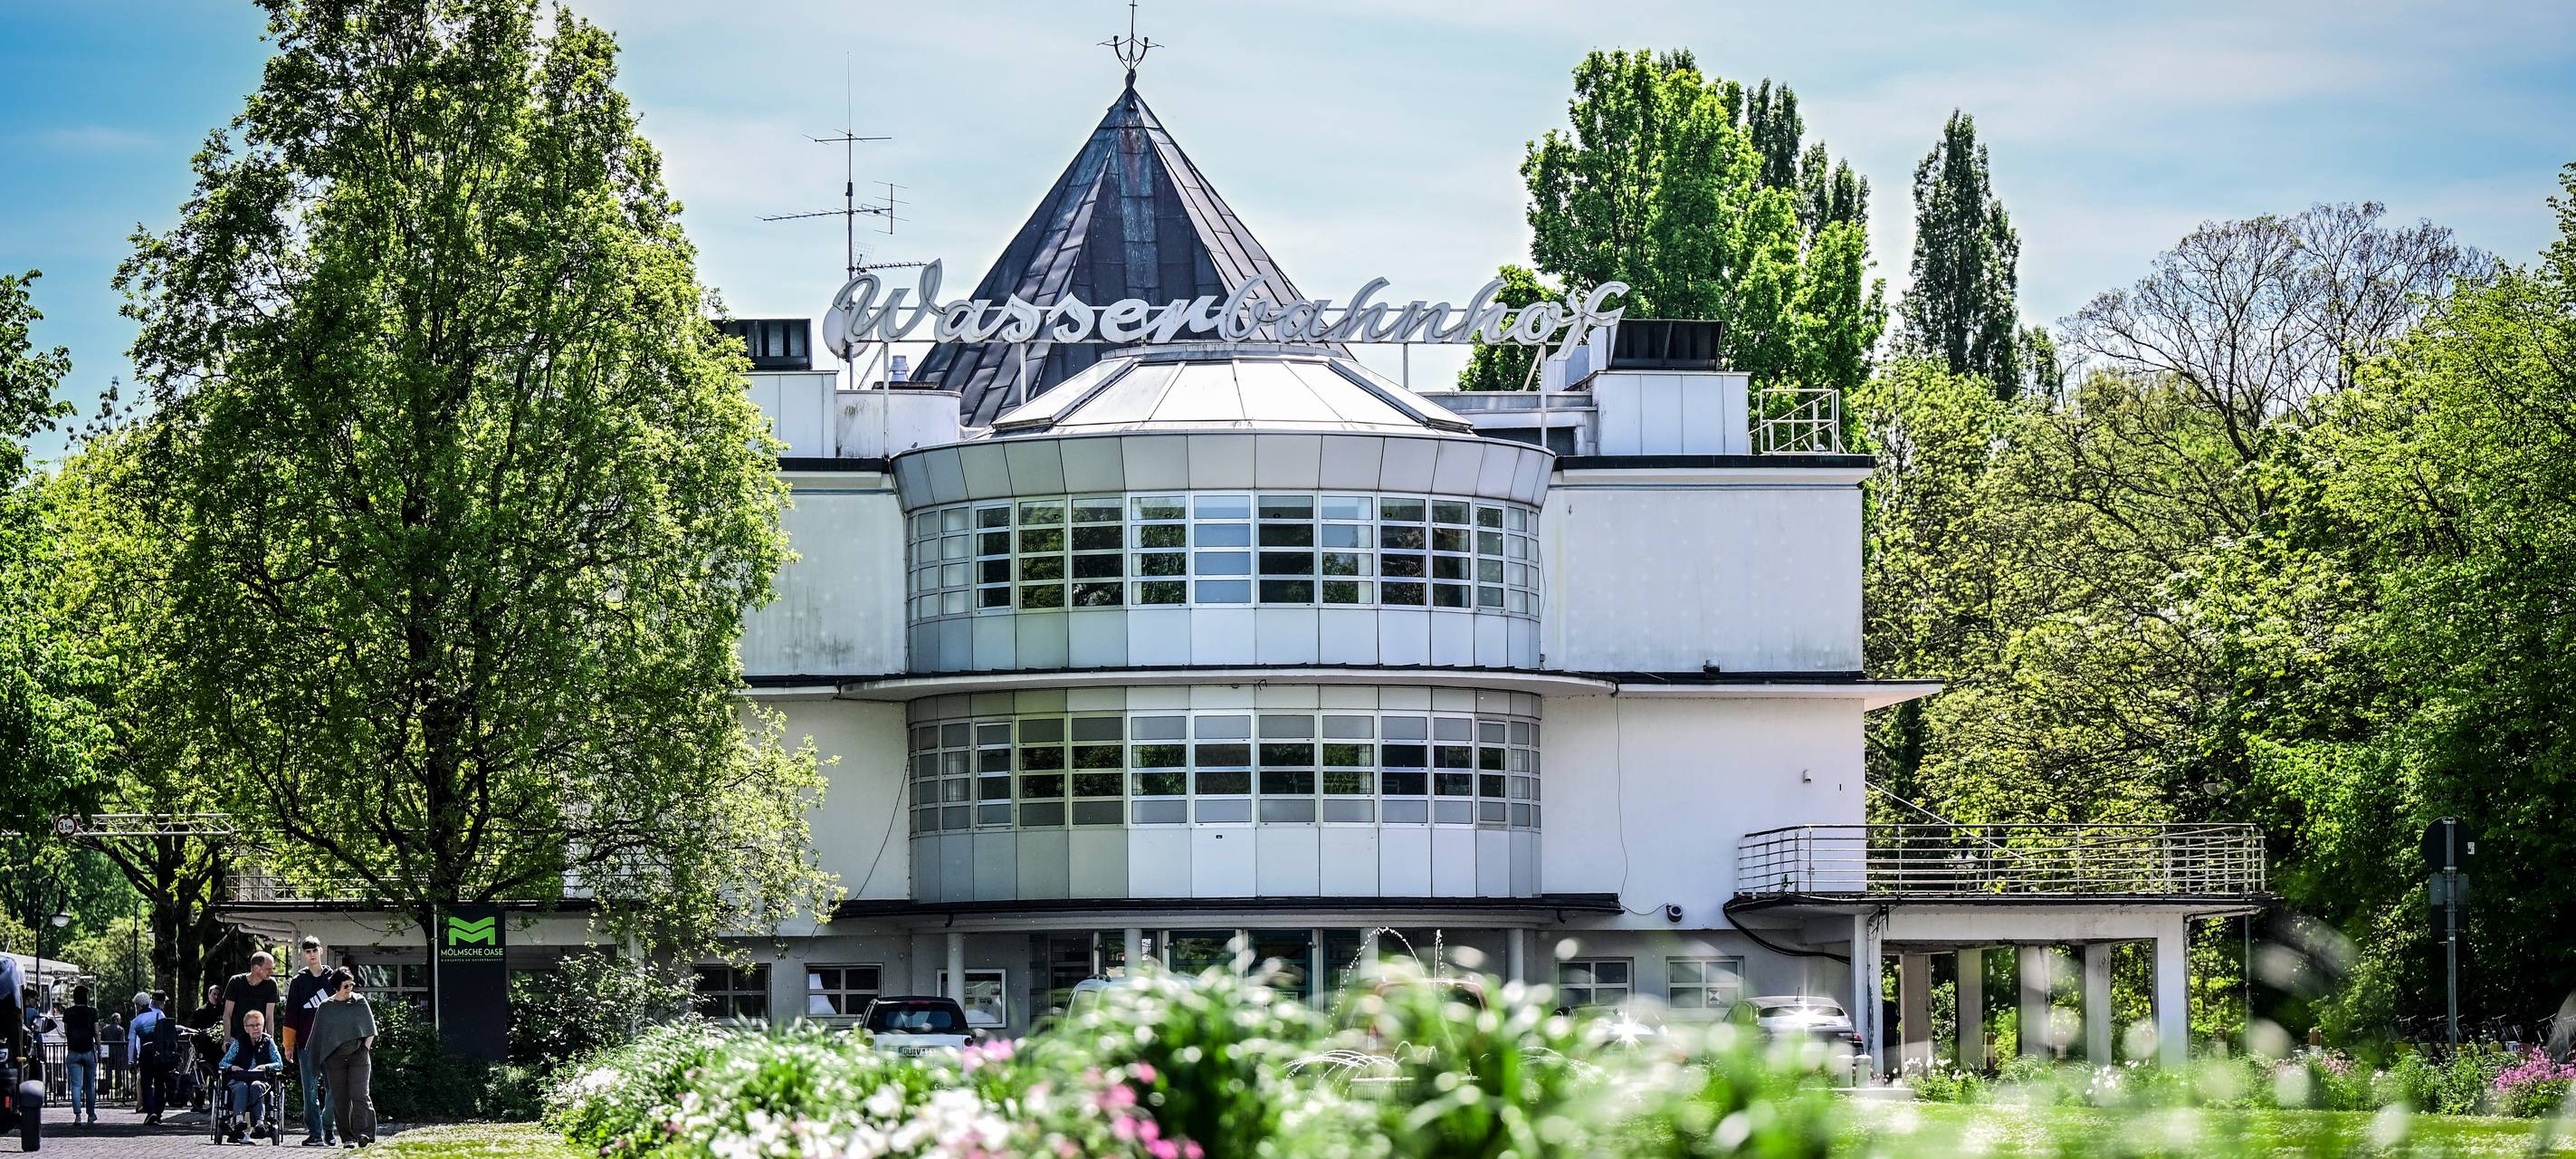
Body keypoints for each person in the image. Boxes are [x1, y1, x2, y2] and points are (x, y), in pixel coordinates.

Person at [306, 969, 377, 1148]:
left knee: (360, 1094)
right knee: (340, 1099)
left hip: (358, 1056)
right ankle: (348, 1139)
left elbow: (370, 1029)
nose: (350, 988)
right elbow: (318, 1035)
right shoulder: (326, 1007)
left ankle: (364, 1133)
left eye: (352, 984)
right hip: (335, 1059)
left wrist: (364, 1050)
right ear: (337, 987)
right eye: (346, 986)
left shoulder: (359, 1002)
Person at [281, 936, 337, 1145]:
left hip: (332, 1044)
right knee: (310, 1091)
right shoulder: (298, 982)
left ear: (321, 950)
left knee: (334, 1090)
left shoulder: (333, 978)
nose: (311, 954)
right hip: (305, 1044)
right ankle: (315, 1133)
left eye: (314, 950)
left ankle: (328, 1128)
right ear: (303, 954)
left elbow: (344, 1009)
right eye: (307, 951)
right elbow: (291, 1015)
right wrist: (288, 1045)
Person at [218, 1009, 285, 1143]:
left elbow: (279, 1064)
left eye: (258, 1025)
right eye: (252, 1026)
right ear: (246, 1028)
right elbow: (223, 1063)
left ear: (263, 1025)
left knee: (256, 1086)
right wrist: (232, 1067)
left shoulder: (268, 1042)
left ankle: (259, 1123)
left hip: (260, 1079)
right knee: (242, 1087)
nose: (256, 1028)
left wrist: (265, 1067)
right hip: (240, 1078)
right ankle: (238, 1122)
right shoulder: (239, 1042)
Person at [132, 991, 175, 1125]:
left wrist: (131, 1059)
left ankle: (151, 1112)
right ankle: (158, 1111)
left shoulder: (137, 1019)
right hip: (158, 1052)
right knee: (159, 1082)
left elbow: (133, 1042)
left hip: (145, 1052)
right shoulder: (159, 1015)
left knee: (146, 1083)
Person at [223, 952, 281, 1046]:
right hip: (236, 1038)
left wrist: (271, 1042)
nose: (272, 972)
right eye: (268, 969)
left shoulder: (271, 985)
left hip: (258, 1040)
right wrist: (227, 1039)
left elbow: (269, 1017)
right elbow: (227, 1014)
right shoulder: (235, 982)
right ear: (256, 968)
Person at [62, 984, 99, 1125]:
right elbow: (96, 1033)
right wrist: (99, 1050)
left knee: (76, 1085)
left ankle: (77, 1115)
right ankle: (91, 1114)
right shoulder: (92, 1012)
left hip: (73, 1051)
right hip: (89, 1051)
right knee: (90, 1084)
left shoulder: (68, 1012)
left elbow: (66, 1032)